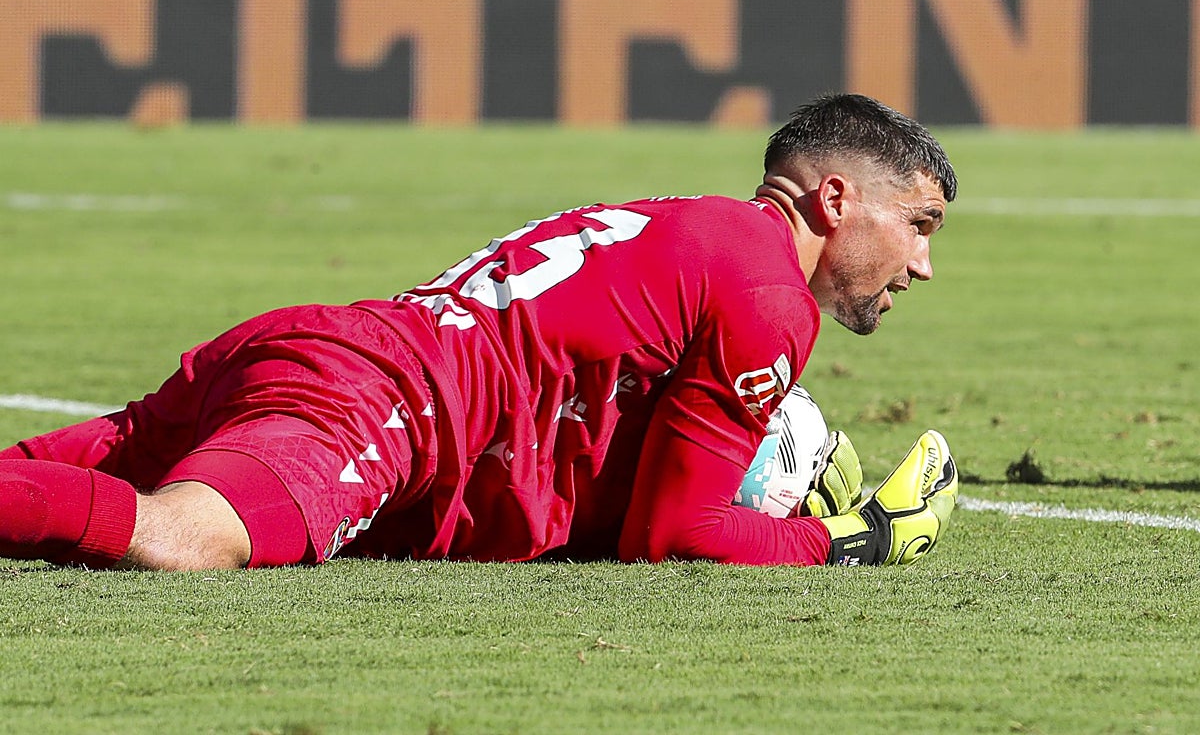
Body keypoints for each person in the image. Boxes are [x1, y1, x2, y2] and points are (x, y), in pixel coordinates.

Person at [0, 93, 959, 571]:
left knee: (45, 467)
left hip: (330, 345)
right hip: (382, 407)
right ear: (834, 199)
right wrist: (849, 541)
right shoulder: (769, 299)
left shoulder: (693, 222)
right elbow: (673, 532)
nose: (923, 265)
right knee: (181, 539)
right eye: (919, 226)